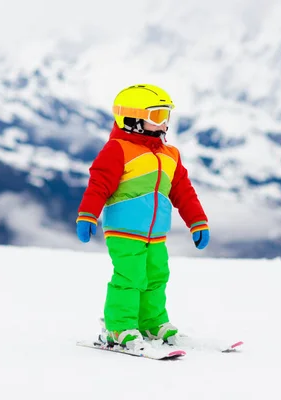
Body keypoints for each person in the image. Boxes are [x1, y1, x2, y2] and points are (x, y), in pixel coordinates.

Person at [75, 84, 210, 351]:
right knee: (130, 277)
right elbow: (99, 184)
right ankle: (119, 327)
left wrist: (198, 221)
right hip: (124, 230)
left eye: (166, 116)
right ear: (133, 120)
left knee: (157, 275)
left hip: (156, 234)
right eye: (156, 116)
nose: (163, 124)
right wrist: (87, 215)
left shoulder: (170, 154)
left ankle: (151, 322)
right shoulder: (118, 149)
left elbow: (183, 190)